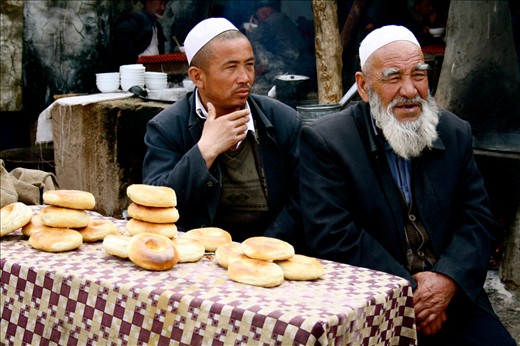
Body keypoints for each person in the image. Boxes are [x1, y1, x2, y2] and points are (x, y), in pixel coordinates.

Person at [298, 25, 515, 345]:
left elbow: (478, 219)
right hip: (372, 302)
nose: (411, 90)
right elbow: (334, 235)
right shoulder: (328, 142)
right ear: (362, 86)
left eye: (419, 74)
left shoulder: (454, 132)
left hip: (450, 296)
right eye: (393, 77)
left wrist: (446, 281)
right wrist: (412, 293)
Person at [142, 18, 304, 249]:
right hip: (199, 257)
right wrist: (204, 150)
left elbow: (303, 197)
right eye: (231, 67)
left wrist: (264, 247)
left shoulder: (282, 120)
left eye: (249, 64)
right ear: (197, 76)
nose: (245, 78)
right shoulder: (167, 127)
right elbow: (156, 205)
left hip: (272, 253)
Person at [245, 0, 315, 89]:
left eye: (268, 12)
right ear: (257, 15)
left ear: (274, 12)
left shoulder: (276, 19)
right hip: (291, 67)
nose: (265, 15)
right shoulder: (276, 23)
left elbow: (250, 39)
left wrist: (250, 32)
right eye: (262, 13)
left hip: (292, 70)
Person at [113, 0, 168, 66]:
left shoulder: (157, 26)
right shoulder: (137, 19)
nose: (163, 8)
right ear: (148, 3)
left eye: (164, 5)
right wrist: (135, 60)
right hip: (139, 70)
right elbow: (122, 32)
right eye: (160, 3)